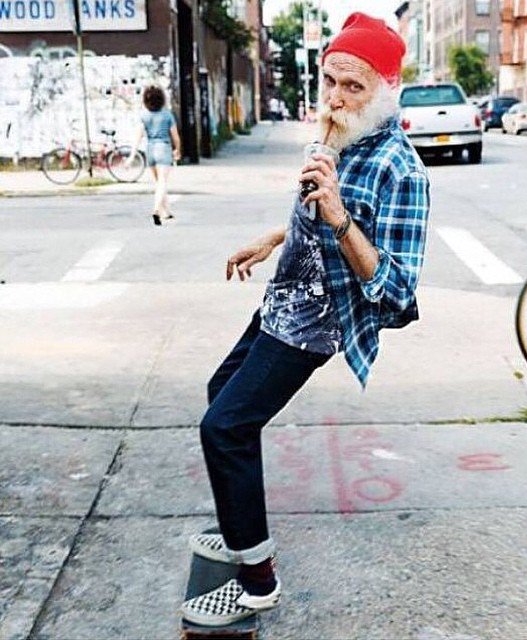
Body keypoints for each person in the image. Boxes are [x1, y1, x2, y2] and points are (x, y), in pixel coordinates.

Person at [180, 12, 429, 627]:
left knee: (224, 428)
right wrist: (274, 238)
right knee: (221, 395)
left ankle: (257, 580)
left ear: (387, 89)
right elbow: (311, 214)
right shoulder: (341, 136)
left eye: (354, 86)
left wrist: (341, 216)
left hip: (318, 318)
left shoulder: (401, 170)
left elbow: (398, 293)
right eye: (331, 82)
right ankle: (240, 529)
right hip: (286, 294)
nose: (337, 98)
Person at [128, 85, 181, 225]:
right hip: (164, 149)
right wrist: (177, 149)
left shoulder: (144, 116)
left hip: (150, 150)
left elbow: (138, 136)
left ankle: (166, 212)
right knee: (162, 182)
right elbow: (175, 136)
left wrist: (132, 155)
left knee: (159, 183)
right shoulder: (167, 115)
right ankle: (156, 210)